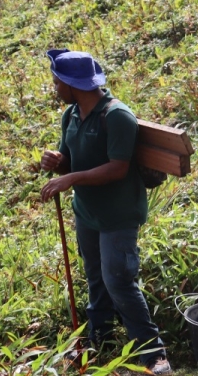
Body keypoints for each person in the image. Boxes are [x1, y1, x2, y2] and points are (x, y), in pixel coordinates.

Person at [38, 49, 172, 375]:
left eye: (57, 82)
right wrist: (58, 161)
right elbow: (71, 161)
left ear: (74, 85)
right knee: (96, 278)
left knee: (118, 281)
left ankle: (153, 354)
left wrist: (71, 178)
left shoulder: (116, 117)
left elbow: (117, 168)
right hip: (87, 213)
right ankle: (100, 341)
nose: (55, 87)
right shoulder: (71, 115)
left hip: (118, 215)